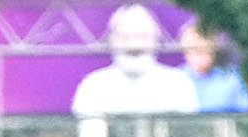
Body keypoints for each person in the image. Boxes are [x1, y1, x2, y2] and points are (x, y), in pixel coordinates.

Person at [70, 3, 201, 115]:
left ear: (156, 39)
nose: (134, 45)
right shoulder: (93, 86)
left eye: (142, 36)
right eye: (125, 37)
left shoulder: (177, 84)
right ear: (111, 40)